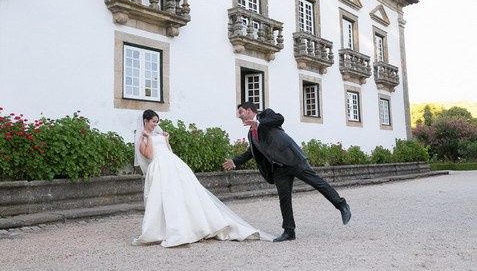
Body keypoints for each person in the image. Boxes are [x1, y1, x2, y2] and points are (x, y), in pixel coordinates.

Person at [132, 109, 272, 247]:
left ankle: (195, 226)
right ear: (146, 121)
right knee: (164, 198)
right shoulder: (142, 138)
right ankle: (167, 229)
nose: (156, 125)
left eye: (157, 122)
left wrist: (166, 140)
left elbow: (168, 151)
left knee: (185, 195)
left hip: (173, 164)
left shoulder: (160, 134)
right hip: (159, 168)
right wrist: (149, 137)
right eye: (153, 122)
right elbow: (150, 155)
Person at [223, 102, 351, 242]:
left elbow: (279, 119)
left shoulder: (266, 115)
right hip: (278, 167)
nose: (239, 115)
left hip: (293, 159)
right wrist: (235, 162)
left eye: (241, 112)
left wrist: (258, 122)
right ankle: (289, 231)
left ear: (248, 110)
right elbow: (251, 152)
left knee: (317, 183)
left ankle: (342, 205)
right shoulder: (251, 134)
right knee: (284, 199)